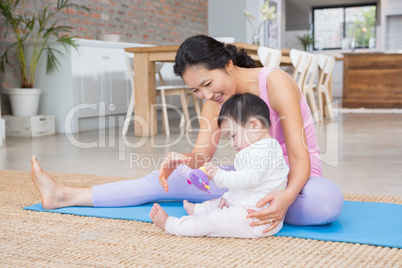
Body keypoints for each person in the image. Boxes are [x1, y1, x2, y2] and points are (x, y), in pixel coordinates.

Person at [30, 35, 344, 233]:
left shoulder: (275, 82)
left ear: (228, 64)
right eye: (196, 90)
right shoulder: (215, 99)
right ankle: (65, 195)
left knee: (325, 202)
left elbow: (301, 155)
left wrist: (287, 197)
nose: (205, 95)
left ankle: (243, 207)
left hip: (291, 177)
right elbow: (202, 156)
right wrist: (184, 160)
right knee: (165, 178)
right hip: (245, 179)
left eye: (208, 84)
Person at [149, 93, 289, 238]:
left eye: (233, 136)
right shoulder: (260, 147)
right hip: (247, 206)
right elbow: (248, 186)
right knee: (220, 201)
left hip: (254, 219)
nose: (232, 144)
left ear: (254, 125)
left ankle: (172, 225)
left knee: (209, 222)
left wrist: (219, 175)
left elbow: (249, 179)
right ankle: (198, 209)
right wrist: (228, 195)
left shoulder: (263, 152)